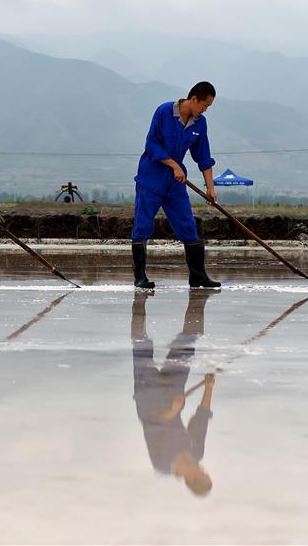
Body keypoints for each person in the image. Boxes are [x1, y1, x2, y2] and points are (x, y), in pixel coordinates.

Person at [131, 82, 222, 289]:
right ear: (194, 99)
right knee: (143, 225)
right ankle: (140, 278)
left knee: (188, 225)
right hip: (151, 178)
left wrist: (210, 188)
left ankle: (198, 276)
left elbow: (204, 157)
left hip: (175, 183)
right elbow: (151, 144)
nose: (205, 110)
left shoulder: (200, 124)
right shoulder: (164, 111)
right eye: (205, 105)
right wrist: (173, 164)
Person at [131, 290, 217, 496]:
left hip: (148, 395)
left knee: (140, 343)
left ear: (193, 478)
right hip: (173, 391)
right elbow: (201, 419)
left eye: (203, 474)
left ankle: (138, 298)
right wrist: (209, 387)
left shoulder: (162, 465)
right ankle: (198, 298)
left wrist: (172, 412)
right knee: (189, 341)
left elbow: (150, 426)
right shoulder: (197, 453)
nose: (203, 468)